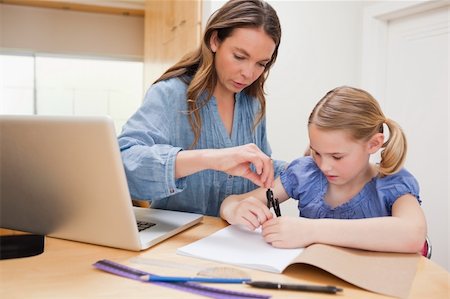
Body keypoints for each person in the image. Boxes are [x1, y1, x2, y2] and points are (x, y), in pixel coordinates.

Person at [118, 0, 286, 216]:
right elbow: (124, 164)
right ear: (215, 40)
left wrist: (311, 165)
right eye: (239, 57)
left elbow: (259, 171)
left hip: (236, 241)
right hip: (175, 243)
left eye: (261, 64)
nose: (248, 73)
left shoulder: (252, 103)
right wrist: (210, 159)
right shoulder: (170, 94)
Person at [220, 86, 427, 253]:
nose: (324, 166)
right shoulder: (306, 173)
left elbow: (413, 234)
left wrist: (312, 230)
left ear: (373, 144)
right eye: (316, 152)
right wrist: (235, 210)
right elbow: (233, 202)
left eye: (337, 156)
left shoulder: (392, 182)